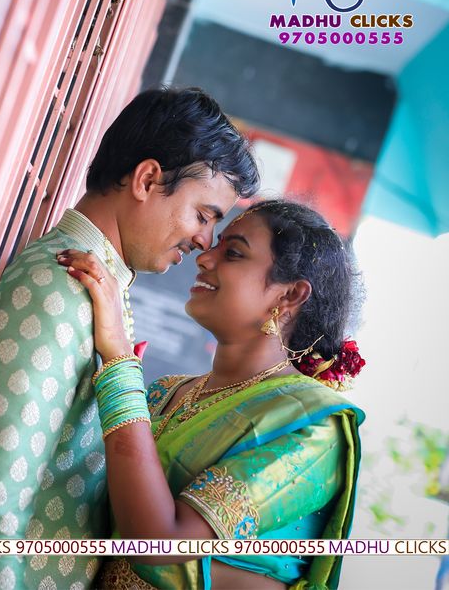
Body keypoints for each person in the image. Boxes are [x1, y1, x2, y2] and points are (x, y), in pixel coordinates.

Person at [0, 87, 260, 589]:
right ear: (147, 180)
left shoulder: (96, 293)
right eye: (203, 215)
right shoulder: (58, 286)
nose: (205, 241)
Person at [61, 199, 365, 589]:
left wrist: (119, 358)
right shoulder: (163, 393)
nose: (204, 259)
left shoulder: (314, 430)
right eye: (216, 245)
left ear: (290, 296)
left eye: (234, 253)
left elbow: (160, 544)